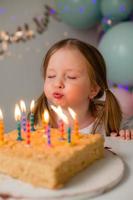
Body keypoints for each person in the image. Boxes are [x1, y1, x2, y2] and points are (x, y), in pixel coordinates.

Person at [34, 38, 133, 140]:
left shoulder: (106, 123)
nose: (57, 83)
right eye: (51, 76)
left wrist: (125, 135)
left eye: (71, 76)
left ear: (93, 89)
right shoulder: (40, 124)